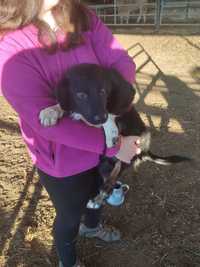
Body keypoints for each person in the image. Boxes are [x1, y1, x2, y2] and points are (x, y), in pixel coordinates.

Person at [0, 1, 141, 266]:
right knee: (69, 215)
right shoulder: (10, 45)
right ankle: (68, 260)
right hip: (64, 160)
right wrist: (113, 146)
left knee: (98, 194)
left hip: (106, 137)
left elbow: (120, 61)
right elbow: (43, 120)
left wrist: (115, 106)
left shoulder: (82, 16)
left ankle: (92, 226)